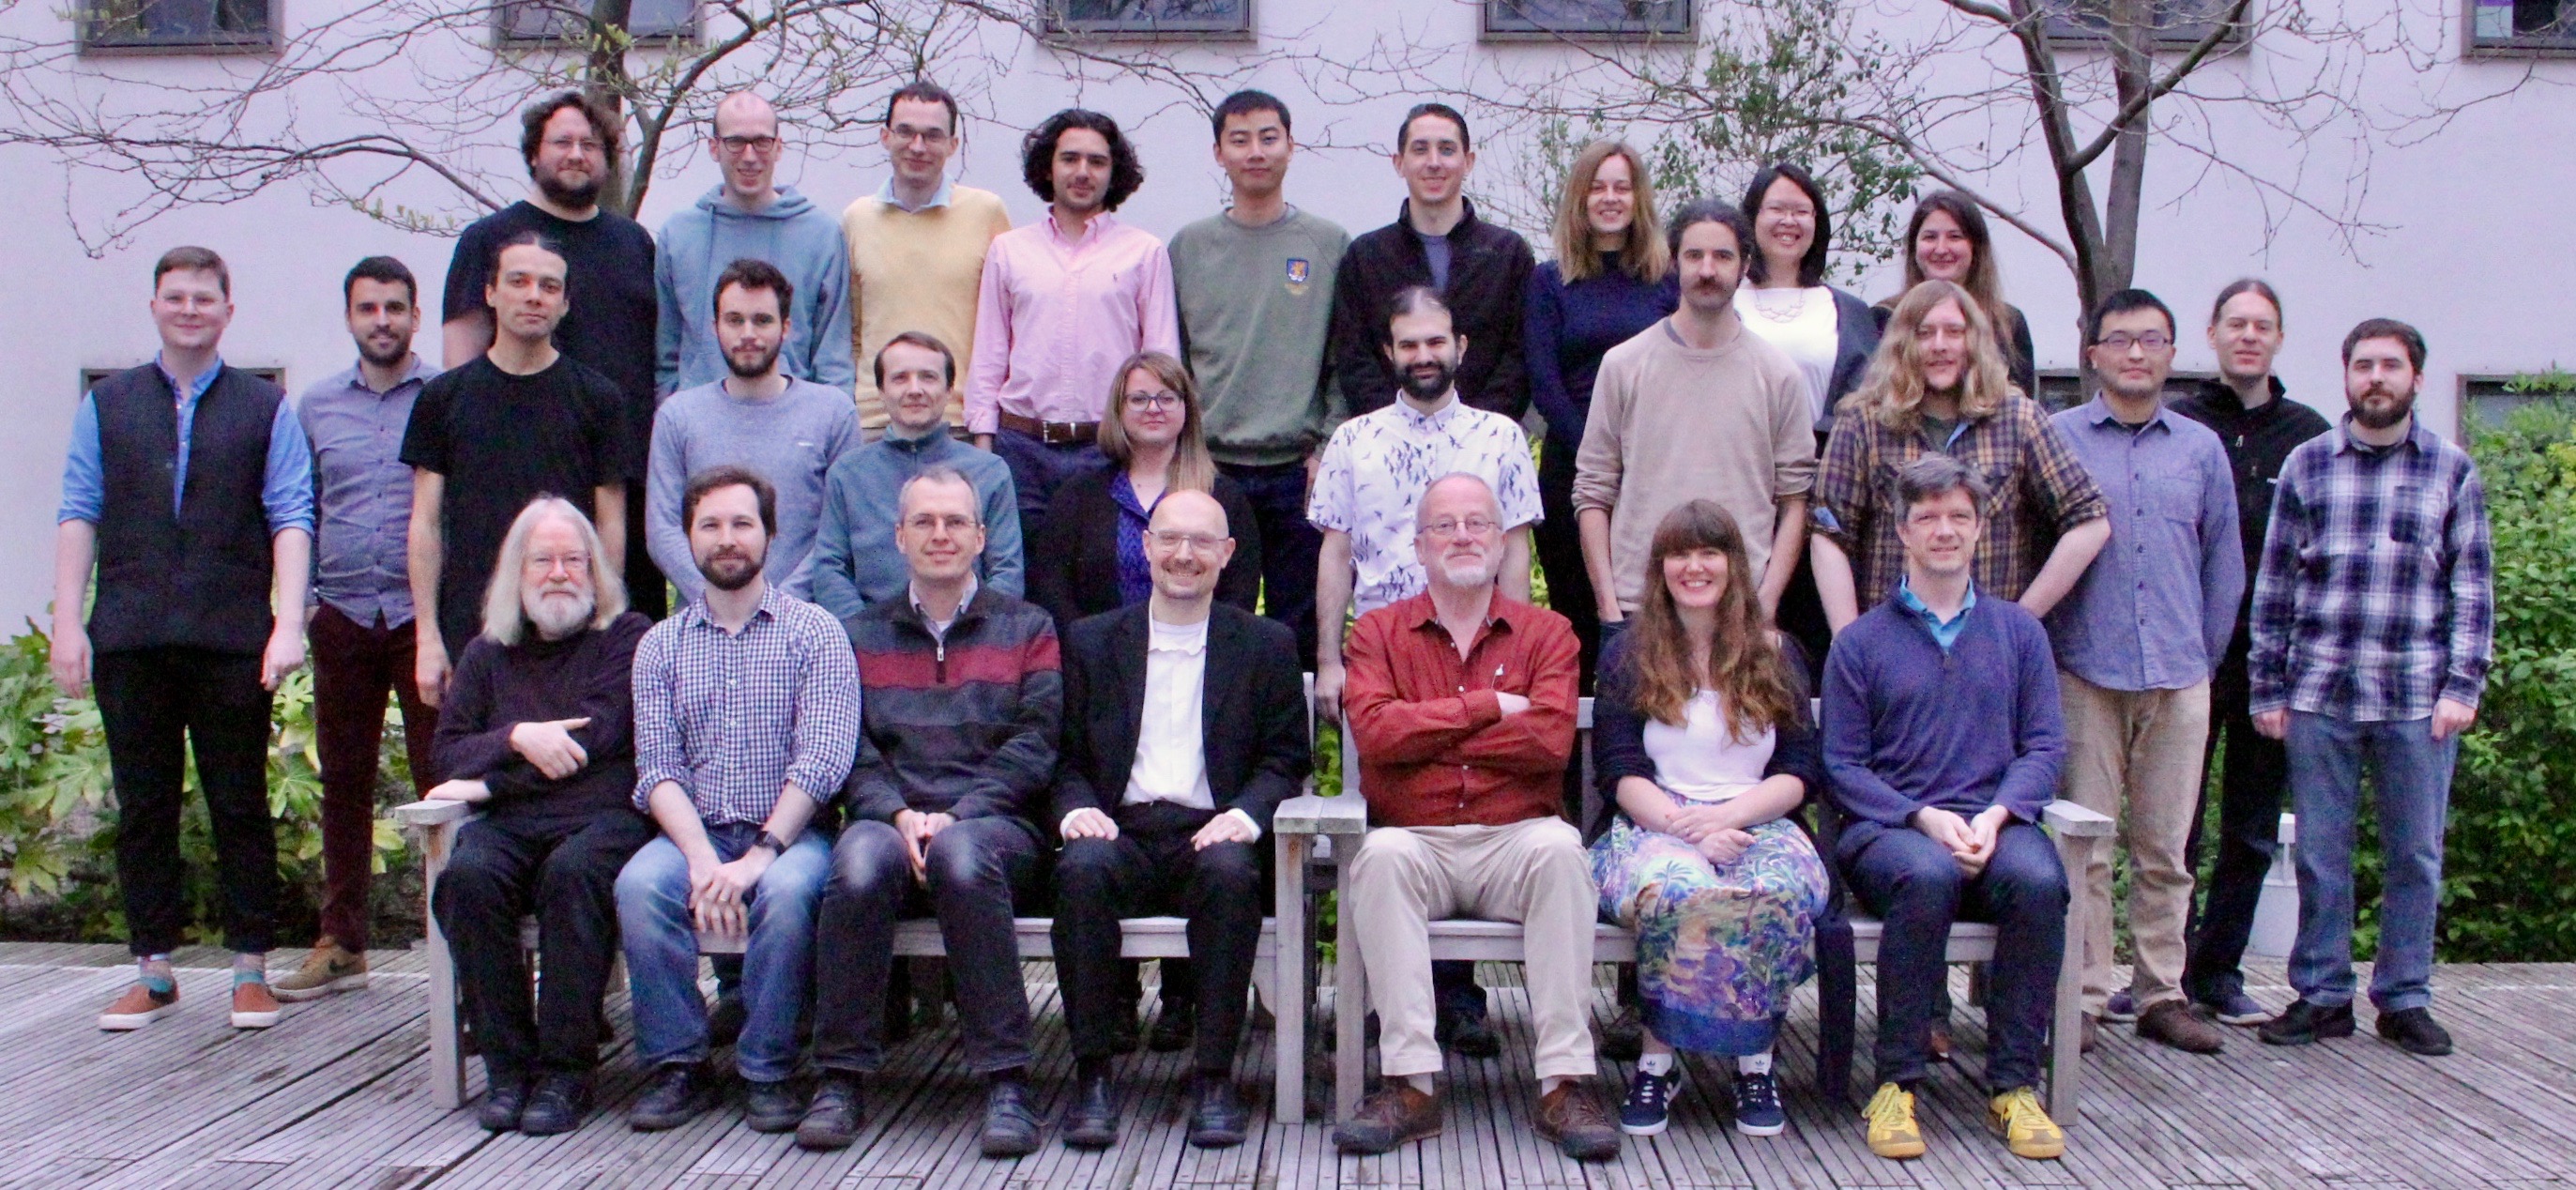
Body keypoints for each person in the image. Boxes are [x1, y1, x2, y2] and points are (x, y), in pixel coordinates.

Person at [57, 246, 313, 1033]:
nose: (190, 309)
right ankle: (153, 970)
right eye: (177, 297)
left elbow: (291, 515)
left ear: (228, 312)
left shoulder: (265, 408)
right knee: (144, 807)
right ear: (155, 307)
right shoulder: (108, 405)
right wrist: (68, 622)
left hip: (230, 636)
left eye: (205, 298)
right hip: (130, 635)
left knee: (239, 804)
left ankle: (250, 969)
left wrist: (288, 622)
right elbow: (78, 510)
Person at [1328, 473, 1619, 1162]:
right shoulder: (1377, 633)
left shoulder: (1548, 634)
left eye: (1477, 524)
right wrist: (1487, 709)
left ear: (1501, 541)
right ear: (1419, 546)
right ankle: (1410, 1085)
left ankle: (1564, 1083)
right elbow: (1376, 737)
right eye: (1445, 526)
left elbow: (1548, 742)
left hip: (1516, 839)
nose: (1462, 536)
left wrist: (1424, 733)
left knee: (1561, 852)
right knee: (1380, 857)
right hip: (1415, 842)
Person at [800, 466, 1063, 1157]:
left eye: (954, 522)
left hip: (997, 830)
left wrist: (960, 814)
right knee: (857, 861)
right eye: (924, 521)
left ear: (980, 537)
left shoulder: (1028, 628)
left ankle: (1007, 1081)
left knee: (961, 855)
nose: (939, 534)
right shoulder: (858, 635)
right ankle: (840, 1078)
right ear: (898, 537)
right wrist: (895, 814)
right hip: (890, 824)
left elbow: (1036, 745)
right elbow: (849, 749)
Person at [2249, 319, 2492, 1059]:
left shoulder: (2450, 470)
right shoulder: (2306, 466)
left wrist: (2462, 685)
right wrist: (2266, 688)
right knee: (2320, 854)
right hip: (2319, 690)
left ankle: (2403, 998)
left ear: (2415, 377)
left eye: (2390, 365)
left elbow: (2471, 589)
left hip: (2416, 697)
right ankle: (2322, 995)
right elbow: (2275, 585)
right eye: (2362, 365)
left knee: (2414, 855)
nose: (2375, 378)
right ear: (2346, 375)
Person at [1823, 453, 2070, 1164]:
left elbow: (2044, 747)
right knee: (1926, 876)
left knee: (2039, 882)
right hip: (1890, 831)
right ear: (1902, 531)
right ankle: (1896, 1083)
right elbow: (1842, 764)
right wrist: (1921, 817)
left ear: (1979, 527)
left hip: (1993, 824)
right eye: (1927, 516)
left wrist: (1998, 815)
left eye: (1959, 516)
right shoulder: (1860, 642)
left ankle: (2014, 1086)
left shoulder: (2019, 633)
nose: (1944, 530)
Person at [1050, 490, 1309, 1150]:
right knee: (1080, 872)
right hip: (1119, 829)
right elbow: (1064, 755)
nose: (1183, 554)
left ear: (1227, 554)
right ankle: (1092, 1076)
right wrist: (1076, 807)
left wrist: (1247, 815)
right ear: (1146, 546)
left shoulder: (1265, 645)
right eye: (1169, 538)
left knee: (1230, 876)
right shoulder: (1092, 641)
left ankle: (1214, 1078)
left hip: (1210, 829)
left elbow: (1286, 758)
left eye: (1201, 542)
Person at [616, 466, 859, 1133]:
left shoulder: (815, 633)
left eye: (742, 523)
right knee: (640, 887)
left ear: (770, 535)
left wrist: (759, 855)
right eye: (711, 525)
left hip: (792, 836)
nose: (727, 539)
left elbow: (823, 760)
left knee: (787, 893)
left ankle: (769, 1069)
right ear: (689, 538)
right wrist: (700, 858)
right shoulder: (659, 646)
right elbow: (657, 767)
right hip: (692, 833)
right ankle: (679, 1066)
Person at [1589, 500, 1827, 1139]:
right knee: (1679, 890)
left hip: (1759, 819)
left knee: (1772, 890)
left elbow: (1799, 769)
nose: (1694, 567)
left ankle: (1755, 1064)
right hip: (1654, 823)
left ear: (1733, 565)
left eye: (1709, 553)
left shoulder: (1777, 653)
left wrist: (1728, 817)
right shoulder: (1629, 654)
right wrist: (1686, 827)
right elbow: (1617, 769)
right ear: (1660, 568)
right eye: (1679, 554)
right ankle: (1656, 1061)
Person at [2045, 288, 2242, 1056]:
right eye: (2120, 339)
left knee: (2166, 848)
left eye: (2151, 340)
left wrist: (2201, 659)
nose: (2135, 353)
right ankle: (2084, 996)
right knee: (2084, 849)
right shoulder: (2058, 438)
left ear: (2171, 353)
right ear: (2091, 353)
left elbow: (2222, 563)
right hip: (2083, 673)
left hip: (2178, 675)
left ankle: (2161, 992)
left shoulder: (2199, 449)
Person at [421, 498, 653, 1136]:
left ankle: (565, 1073)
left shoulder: (625, 637)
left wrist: (490, 780)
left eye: (573, 560)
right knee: (467, 879)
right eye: (542, 560)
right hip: (513, 824)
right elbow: (446, 752)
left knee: (572, 875)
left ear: (594, 569)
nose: (558, 573)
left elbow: (595, 738)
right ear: (515, 573)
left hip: (603, 818)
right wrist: (518, 737)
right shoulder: (486, 654)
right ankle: (508, 1070)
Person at [278, 254, 441, 1003]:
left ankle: (454, 942)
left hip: (421, 619)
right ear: (349, 316)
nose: (383, 320)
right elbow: (297, 505)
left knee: (443, 781)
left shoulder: (443, 397)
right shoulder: (314, 406)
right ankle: (342, 943)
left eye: (395, 307)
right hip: (343, 612)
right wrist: (306, 603)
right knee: (343, 779)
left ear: (415, 316)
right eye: (369, 308)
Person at [2172, 279, 2330, 1026]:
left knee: (2250, 826)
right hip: (2187, 652)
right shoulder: (2180, 424)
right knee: (2173, 823)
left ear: (2277, 339)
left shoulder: (2308, 436)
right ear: (2211, 333)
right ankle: (2163, 971)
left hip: (2271, 661)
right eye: (2234, 323)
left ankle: (2217, 972)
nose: (2247, 336)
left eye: (2261, 325)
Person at [442, 91, 661, 617]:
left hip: (619, 480)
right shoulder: (489, 240)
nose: (576, 154)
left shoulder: (635, 244)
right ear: (534, 154)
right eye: (562, 142)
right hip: (517, 477)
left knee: (616, 635)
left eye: (591, 144)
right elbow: (460, 370)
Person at [404, 231, 632, 710]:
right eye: (519, 281)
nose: (534, 295)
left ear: (565, 304)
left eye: (549, 286)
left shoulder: (599, 400)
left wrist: (604, 624)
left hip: (566, 629)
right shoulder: (442, 399)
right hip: (471, 629)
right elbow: (425, 522)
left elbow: (611, 522)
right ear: (490, 293)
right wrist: (427, 636)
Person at [1574, 200, 1812, 637]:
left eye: (1723, 256)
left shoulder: (1779, 375)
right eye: (1694, 255)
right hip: (1639, 611)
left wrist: (1766, 602)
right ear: (1673, 262)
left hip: (1741, 612)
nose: (1707, 270)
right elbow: (1593, 490)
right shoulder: (1623, 365)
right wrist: (1609, 608)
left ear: (1745, 266)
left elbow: (1795, 498)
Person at [1810, 280, 2109, 628]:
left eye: (1954, 332)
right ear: (1902, 344)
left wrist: (2020, 622)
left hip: (1988, 641)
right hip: (1891, 641)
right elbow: (1828, 532)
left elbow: (2090, 521)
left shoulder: (2019, 419)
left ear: (1974, 341)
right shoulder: (1864, 422)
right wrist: (1849, 639)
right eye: (1924, 333)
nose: (1940, 345)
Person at [1169, 89, 1349, 668]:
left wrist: (1326, 445)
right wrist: (1184, 454)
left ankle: (1296, 728)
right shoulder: (1189, 247)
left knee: (1300, 626)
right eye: (1239, 140)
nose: (1255, 152)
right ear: (1218, 153)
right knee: (1214, 621)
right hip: (1213, 467)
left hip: (1299, 469)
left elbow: (1344, 358)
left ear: (1291, 146)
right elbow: (1174, 359)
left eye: (1269, 138)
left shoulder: (1328, 244)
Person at [967, 108, 1179, 541]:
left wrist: (1155, 447)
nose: (1083, 172)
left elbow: (1161, 360)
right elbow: (989, 353)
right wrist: (984, 446)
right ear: (1049, 166)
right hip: (1020, 448)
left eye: (1097, 161)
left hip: (1108, 448)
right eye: (1070, 158)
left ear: (1113, 173)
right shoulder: (1009, 251)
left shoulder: (1144, 253)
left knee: (1101, 570)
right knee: (1020, 571)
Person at [1525, 139, 1677, 690]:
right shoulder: (1550, 281)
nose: (1610, 198)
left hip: (1653, 467)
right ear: (1580, 198)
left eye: (1622, 187)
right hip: (1572, 467)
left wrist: (1638, 453)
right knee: (1578, 615)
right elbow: (1544, 381)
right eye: (1598, 187)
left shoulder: (1667, 280)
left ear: (1639, 199)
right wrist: (1598, 452)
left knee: (1653, 613)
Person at [646, 257, 859, 603]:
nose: (748, 334)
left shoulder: (833, 413)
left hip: (805, 618)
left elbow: (840, 528)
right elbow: (662, 530)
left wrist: (779, 606)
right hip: (705, 618)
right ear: (715, 327)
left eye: (762, 320)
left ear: (786, 327)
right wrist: (719, 603)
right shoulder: (678, 416)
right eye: (734, 320)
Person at [1328, 102, 1535, 420]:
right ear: (1399, 163)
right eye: (1420, 150)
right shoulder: (1366, 257)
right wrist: (1398, 426)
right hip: (1388, 437)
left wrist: (1474, 429)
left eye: (1447, 150)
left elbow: (1520, 355)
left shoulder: (1508, 254)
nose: (1434, 162)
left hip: (1485, 439)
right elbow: (1355, 357)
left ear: (1468, 161)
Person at [1029, 352, 1263, 627]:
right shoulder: (1078, 496)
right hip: (1100, 651)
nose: (1153, 408)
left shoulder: (1223, 499)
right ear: (1119, 409)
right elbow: (1053, 588)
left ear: (1186, 408)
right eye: (1139, 399)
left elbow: (1240, 593)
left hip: (1198, 648)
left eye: (1167, 398)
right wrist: (1090, 645)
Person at [653, 92, 855, 396]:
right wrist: (672, 409)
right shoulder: (679, 235)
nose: (749, 156)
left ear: (778, 147)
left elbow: (833, 358)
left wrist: (831, 419)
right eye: (736, 142)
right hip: (700, 418)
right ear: (714, 147)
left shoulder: (821, 235)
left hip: (794, 418)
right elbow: (665, 354)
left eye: (761, 142)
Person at [810, 332, 1024, 618]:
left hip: (972, 633)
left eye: (928, 377)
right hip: (873, 635)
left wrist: (974, 630)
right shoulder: (847, 474)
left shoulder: (990, 472)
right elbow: (829, 568)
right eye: (900, 378)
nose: (915, 389)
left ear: (949, 390)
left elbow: (1007, 571)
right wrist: (864, 631)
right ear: (881, 390)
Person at [843, 81, 1013, 434]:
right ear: (885, 137)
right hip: (875, 423)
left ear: (952, 145)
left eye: (932, 135)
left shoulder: (986, 213)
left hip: (959, 422)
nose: (918, 146)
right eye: (906, 132)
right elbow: (852, 328)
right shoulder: (857, 219)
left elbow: (1006, 323)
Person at [1734, 161, 1881, 441]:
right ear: (1752, 217)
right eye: (1777, 209)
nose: (1789, 221)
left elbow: (1871, 404)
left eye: (1801, 211)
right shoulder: (1723, 305)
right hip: (1736, 461)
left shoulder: (1848, 312)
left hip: (1823, 463)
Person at [1875, 191, 2038, 400]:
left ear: (1975, 247)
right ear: (1914, 247)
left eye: (1955, 237)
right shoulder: (1883, 317)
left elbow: (2020, 405)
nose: (1941, 249)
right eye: (1930, 237)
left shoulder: (2008, 324)